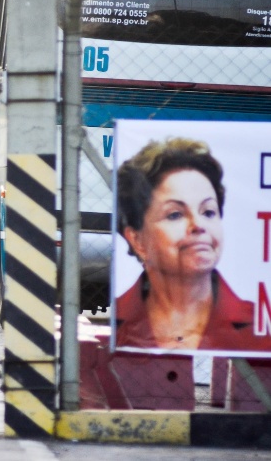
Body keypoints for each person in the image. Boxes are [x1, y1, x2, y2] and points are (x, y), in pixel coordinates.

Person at [116, 137, 271, 351]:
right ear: (137, 240)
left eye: (208, 212)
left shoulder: (262, 328)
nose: (198, 225)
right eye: (175, 214)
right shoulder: (111, 326)